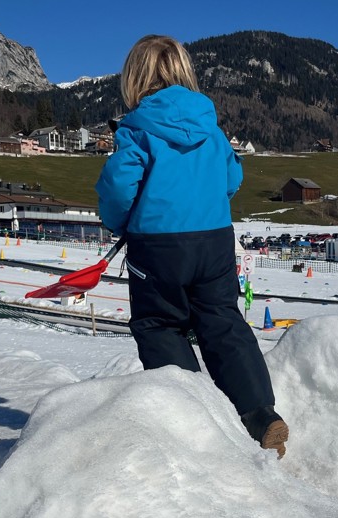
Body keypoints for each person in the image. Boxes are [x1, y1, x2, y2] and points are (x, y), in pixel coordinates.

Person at [95, 34, 288, 458]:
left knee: (159, 326)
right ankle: (260, 413)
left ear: (135, 78)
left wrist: (117, 222)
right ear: (184, 71)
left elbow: (117, 190)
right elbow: (232, 179)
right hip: (214, 239)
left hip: (157, 246)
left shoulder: (137, 129)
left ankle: (192, 421)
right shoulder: (210, 128)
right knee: (222, 322)